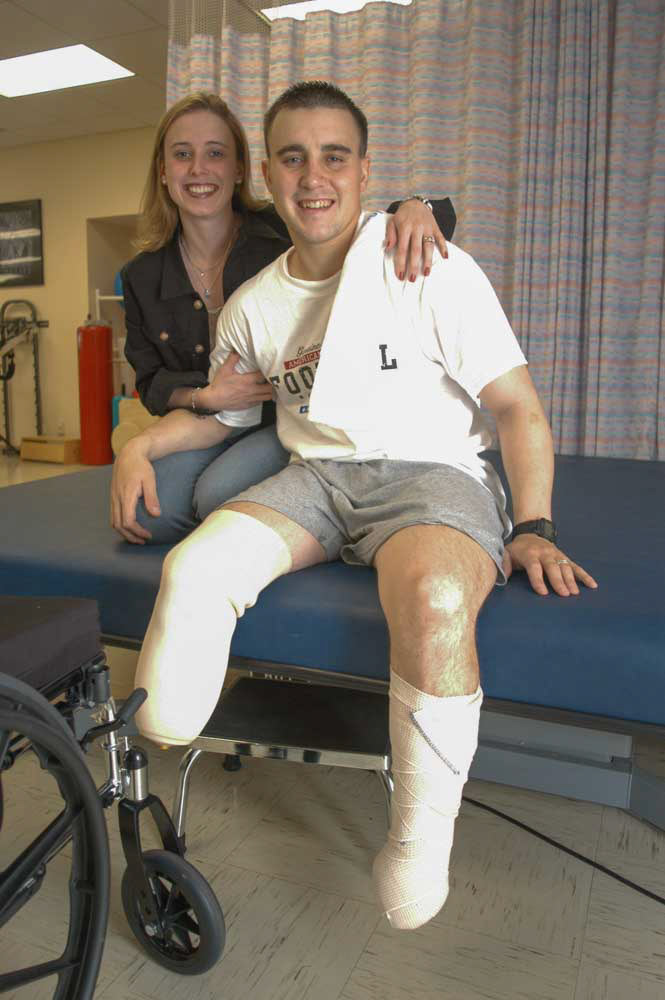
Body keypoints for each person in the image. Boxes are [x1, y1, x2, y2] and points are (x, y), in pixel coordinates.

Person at [123, 81, 597, 931]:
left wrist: (533, 525)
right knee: (195, 566)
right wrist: (138, 445)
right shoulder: (253, 305)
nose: (313, 178)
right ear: (266, 173)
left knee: (437, 598)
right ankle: (164, 733)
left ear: (364, 169)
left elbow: (518, 406)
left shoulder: (426, 265)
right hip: (317, 479)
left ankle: (418, 841)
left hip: (428, 473)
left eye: (333, 157)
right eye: (293, 158)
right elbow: (224, 418)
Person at [115, 91, 453, 544]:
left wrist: (415, 205)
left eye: (215, 154)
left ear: (241, 170)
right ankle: (246, 525)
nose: (199, 170)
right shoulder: (141, 275)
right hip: (202, 417)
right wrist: (197, 404)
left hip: (282, 416)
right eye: (182, 155)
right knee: (147, 514)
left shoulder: (285, 229)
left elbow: (357, 221)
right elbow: (151, 380)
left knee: (214, 495)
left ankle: (264, 528)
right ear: (162, 170)